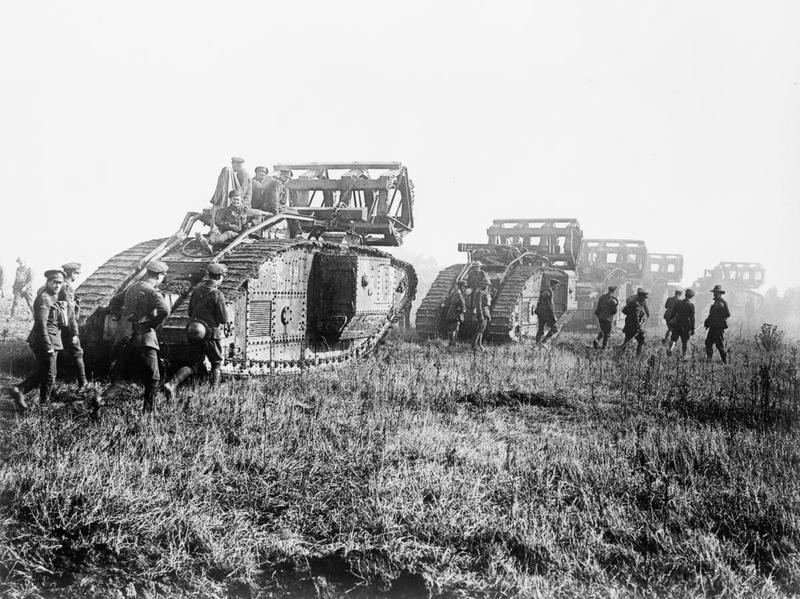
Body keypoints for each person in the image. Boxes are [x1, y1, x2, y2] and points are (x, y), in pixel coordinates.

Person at [5, 270, 72, 409]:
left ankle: (19, 391)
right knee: (50, 373)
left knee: (44, 370)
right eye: (54, 282)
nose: (57, 285)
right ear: (48, 282)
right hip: (44, 341)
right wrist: (48, 346)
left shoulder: (54, 297)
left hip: (52, 339)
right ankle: (44, 405)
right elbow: (41, 325)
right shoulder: (45, 298)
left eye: (59, 283)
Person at [109, 260, 171, 412]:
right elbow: (164, 310)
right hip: (144, 338)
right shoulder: (152, 291)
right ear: (159, 276)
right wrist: (151, 323)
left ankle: (101, 399)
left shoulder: (132, 288)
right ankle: (148, 414)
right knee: (153, 377)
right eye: (162, 276)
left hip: (127, 337)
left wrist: (121, 316)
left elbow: (114, 301)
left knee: (124, 378)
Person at [164, 263, 229, 399]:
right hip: (211, 333)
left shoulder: (196, 291)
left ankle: (172, 383)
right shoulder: (217, 294)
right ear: (219, 277)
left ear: (209, 275)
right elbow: (223, 319)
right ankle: (214, 393)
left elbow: (190, 312)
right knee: (216, 362)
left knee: (193, 363)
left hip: (195, 331)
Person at [58, 262, 87, 387]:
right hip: (67, 326)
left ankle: (59, 376)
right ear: (71, 273)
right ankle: (83, 383)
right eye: (76, 273)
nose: (77, 276)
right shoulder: (67, 287)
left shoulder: (59, 284)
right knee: (77, 352)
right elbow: (70, 312)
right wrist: (75, 332)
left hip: (59, 325)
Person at [704, 285, 730, 363]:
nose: (715, 294)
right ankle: (709, 360)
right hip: (713, 327)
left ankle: (725, 362)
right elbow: (711, 315)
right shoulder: (715, 303)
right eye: (714, 292)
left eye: (716, 293)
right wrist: (707, 322)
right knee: (708, 342)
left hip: (718, 328)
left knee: (719, 345)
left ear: (720, 294)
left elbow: (728, 314)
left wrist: (718, 318)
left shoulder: (722, 303)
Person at [619, 289, 648, 357]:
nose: (644, 300)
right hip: (634, 327)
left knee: (627, 341)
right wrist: (639, 327)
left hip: (629, 325)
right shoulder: (637, 305)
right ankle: (638, 357)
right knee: (641, 340)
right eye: (643, 298)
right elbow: (635, 318)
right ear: (640, 297)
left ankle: (620, 354)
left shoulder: (633, 303)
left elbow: (625, 310)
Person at [667, 289, 695, 358]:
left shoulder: (679, 303)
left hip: (677, 324)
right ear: (691, 297)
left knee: (673, 339)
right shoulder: (691, 305)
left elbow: (673, 313)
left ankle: (670, 349)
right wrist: (692, 329)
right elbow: (692, 318)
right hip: (686, 325)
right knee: (684, 341)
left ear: (685, 295)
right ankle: (684, 355)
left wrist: (671, 321)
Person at [534, 279, 560, 346]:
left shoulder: (545, 291)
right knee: (555, 328)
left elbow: (539, 301)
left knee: (541, 329)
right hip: (546, 313)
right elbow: (549, 306)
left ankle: (537, 344)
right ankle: (543, 342)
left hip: (541, 313)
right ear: (553, 285)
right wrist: (553, 317)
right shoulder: (548, 292)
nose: (557, 288)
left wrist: (538, 310)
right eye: (556, 286)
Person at [441, 280, 467, 347]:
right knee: (455, 328)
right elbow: (462, 304)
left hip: (451, 312)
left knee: (452, 328)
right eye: (464, 286)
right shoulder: (459, 294)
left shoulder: (453, 292)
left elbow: (448, 302)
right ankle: (453, 343)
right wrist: (463, 310)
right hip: (456, 313)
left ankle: (451, 343)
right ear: (461, 286)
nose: (464, 288)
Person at [592, 285, 618, 349]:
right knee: (607, 333)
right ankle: (604, 347)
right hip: (608, 319)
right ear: (614, 291)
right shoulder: (613, 300)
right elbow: (614, 311)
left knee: (603, 330)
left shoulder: (602, 298)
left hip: (601, 318)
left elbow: (598, 308)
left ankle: (597, 340)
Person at [470, 281, 491, 351]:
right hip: (482, 312)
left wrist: (488, 315)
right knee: (479, 330)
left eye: (487, 285)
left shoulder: (485, 293)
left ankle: (480, 344)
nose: (486, 286)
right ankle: (473, 344)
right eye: (485, 284)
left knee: (481, 330)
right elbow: (479, 304)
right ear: (482, 285)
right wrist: (481, 315)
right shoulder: (480, 292)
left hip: (486, 312)